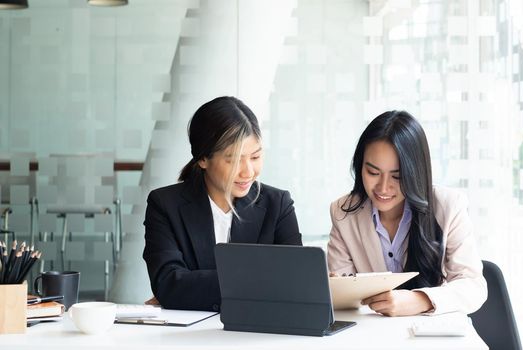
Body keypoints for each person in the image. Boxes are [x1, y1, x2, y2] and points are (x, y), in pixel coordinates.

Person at [143, 96, 302, 311]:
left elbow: (296, 282)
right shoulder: (164, 205)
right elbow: (168, 284)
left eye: (255, 157)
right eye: (234, 160)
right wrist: (262, 281)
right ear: (203, 159)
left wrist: (191, 288)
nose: (248, 171)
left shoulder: (278, 205)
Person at [326, 110, 487, 317]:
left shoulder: (448, 206)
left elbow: (474, 286)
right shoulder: (343, 213)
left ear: (416, 173)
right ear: (360, 167)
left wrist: (420, 300)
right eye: (373, 173)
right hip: (370, 334)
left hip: (432, 333)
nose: (383, 188)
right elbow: (343, 300)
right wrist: (336, 288)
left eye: (397, 176)